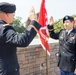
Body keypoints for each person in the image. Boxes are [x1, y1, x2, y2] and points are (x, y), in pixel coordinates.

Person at [0, 2, 41, 75]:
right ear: (7, 14)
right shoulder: (4, 29)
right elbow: (22, 41)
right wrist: (33, 21)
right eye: (13, 14)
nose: (13, 16)